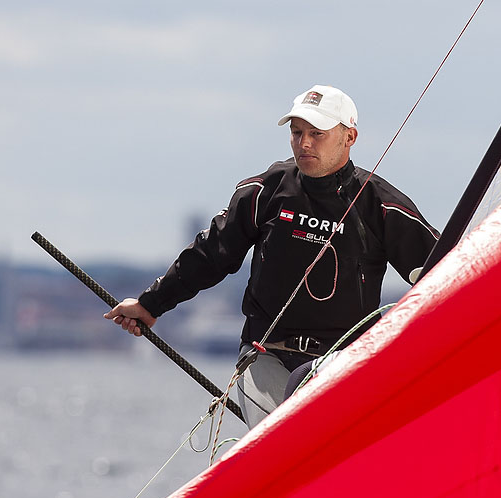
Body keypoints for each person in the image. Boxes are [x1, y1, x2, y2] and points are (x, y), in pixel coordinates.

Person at [105, 85, 439, 428]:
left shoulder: (380, 204)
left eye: (316, 134)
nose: (304, 143)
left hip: (345, 362)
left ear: (349, 136)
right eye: (296, 133)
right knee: (285, 444)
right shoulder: (266, 190)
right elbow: (211, 254)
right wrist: (150, 304)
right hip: (266, 355)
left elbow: (445, 274)